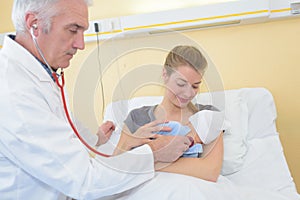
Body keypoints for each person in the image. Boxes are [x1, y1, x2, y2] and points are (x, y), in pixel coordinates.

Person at [0, 0, 192, 199]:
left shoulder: (40, 74)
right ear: (34, 24)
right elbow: (86, 180)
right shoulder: (13, 92)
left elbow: (64, 132)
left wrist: (98, 140)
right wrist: (154, 152)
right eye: (73, 30)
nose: (80, 45)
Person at [114, 45, 224, 182]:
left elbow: (210, 171)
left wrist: (149, 161)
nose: (188, 93)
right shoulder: (138, 117)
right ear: (165, 74)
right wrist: (131, 141)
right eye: (181, 84)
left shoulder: (207, 115)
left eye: (195, 86)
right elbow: (115, 166)